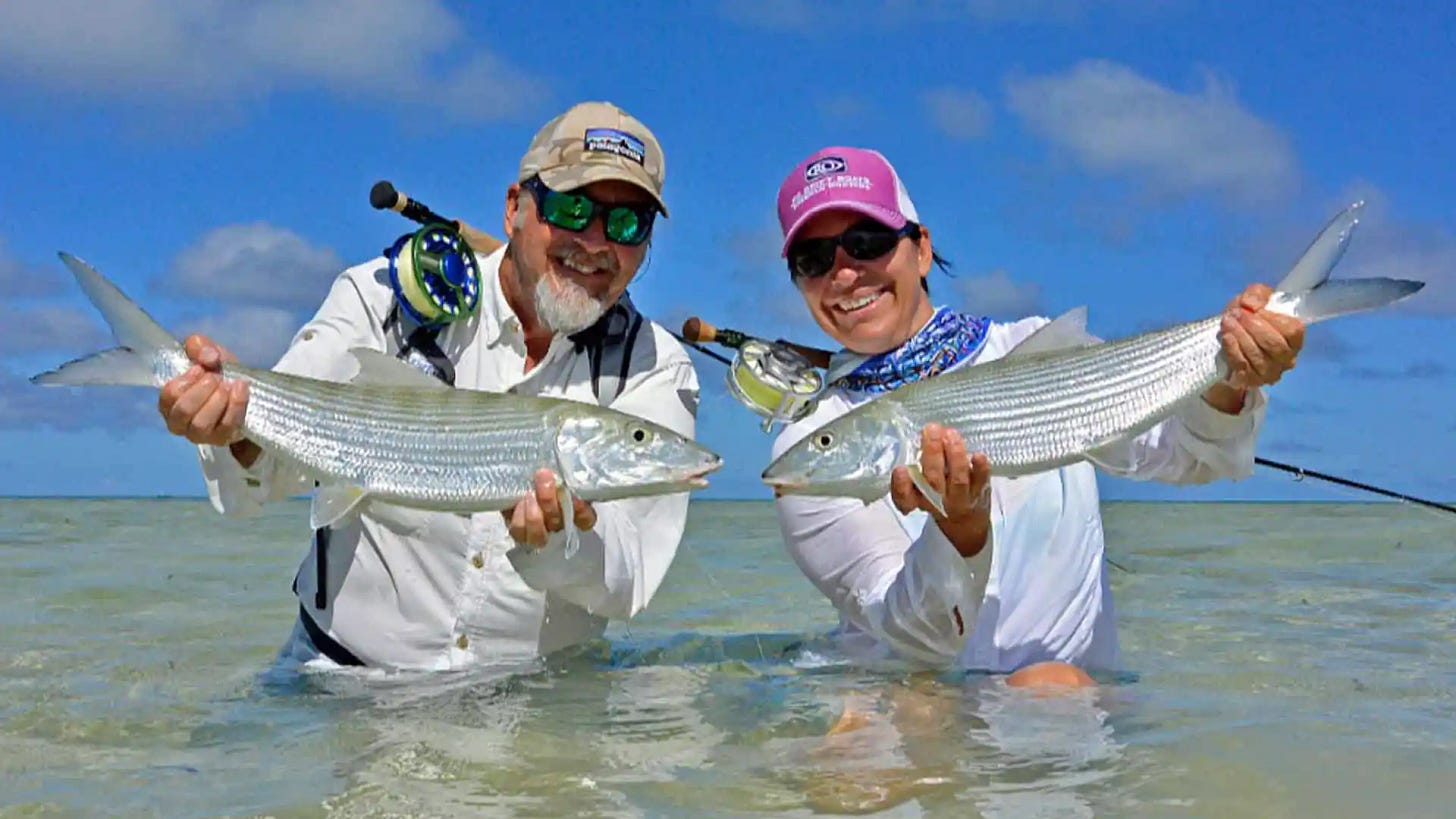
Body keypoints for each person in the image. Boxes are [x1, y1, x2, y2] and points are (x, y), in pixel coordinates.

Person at [156, 101, 702, 672]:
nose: (595, 242)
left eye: (626, 223)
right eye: (570, 207)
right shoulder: (385, 296)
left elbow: (630, 577)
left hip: (540, 707)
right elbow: (262, 479)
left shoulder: (657, 366)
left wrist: (561, 544)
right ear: (515, 207)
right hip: (341, 681)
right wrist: (234, 429)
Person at [769, 146, 1304, 683]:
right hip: (910, 722)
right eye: (813, 260)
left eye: (867, 242)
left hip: (1064, 715)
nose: (843, 274)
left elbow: (1192, 458)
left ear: (922, 249)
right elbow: (916, 639)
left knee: (1050, 687)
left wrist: (1234, 374)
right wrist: (960, 533)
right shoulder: (812, 439)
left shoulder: (1033, 348)